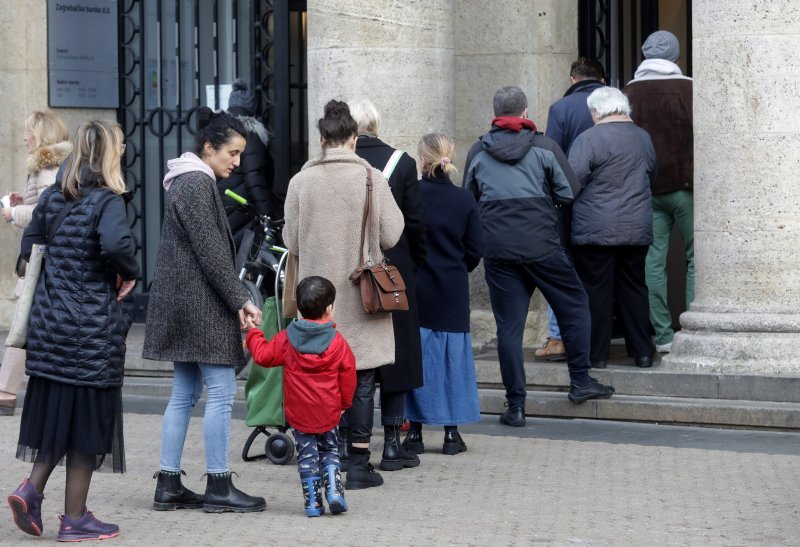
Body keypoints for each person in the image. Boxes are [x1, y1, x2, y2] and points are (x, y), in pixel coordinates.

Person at [8, 120, 138, 541]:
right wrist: (129, 273)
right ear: (107, 153)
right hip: (88, 334)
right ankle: (75, 518)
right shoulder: (107, 201)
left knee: (58, 421)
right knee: (85, 429)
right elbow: (117, 246)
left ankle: (30, 490)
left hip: (50, 332)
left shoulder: (51, 198)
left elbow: (27, 254)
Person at [463, 86, 614, 427]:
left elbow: (470, 198)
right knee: (575, 305)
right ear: (526, 112)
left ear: (495, 113)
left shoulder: (478, 151)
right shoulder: (545, 147)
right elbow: (569, 191)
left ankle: (515, 405)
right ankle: (580, 382)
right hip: (542, 246)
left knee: (509, 329)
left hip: (498, 251)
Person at [143, 107, 266, 513]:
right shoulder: (196, 182)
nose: (236, 161)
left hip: (185, 302)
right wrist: (242, 300)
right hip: (198, 305)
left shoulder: (189, 178)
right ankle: (217, 484)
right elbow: (212, 253)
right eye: (232, 153)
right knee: (221, 392)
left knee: (183, 394)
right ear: (208, 148)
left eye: (240, 154)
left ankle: (168, 483)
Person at [283, 100, 404, 489]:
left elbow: (290, 239)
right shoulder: (372, 178)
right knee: (363, 377)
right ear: (353, 139)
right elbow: (392, 234)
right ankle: (357, 464)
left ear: (321, 140)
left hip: (318, 297)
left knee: (319, 377)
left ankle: (323, 456)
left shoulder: (301, 182)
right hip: (360, 296)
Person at [350, 98, 425, 472]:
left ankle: (352, 440)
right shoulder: (404, 163)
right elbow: (413, 222)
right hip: (393, 272)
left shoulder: (339, 167)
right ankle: (393, 442)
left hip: (350, 272)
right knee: (395, 353)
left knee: (357, 357)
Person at [245, 276, 356, 517]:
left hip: (299, 414)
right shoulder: (338, 343)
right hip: (329, 411)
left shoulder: (287, 338)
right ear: (330, 309)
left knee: (307, 457)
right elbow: (348, 376)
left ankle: (313, 504)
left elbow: (263, 356)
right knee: (330, 451)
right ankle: (335, 492)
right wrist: (344, 404)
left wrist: (254, 334)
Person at [403, 133, 484, 455]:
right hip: (452, 286)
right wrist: (458, 265)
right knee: (453, 361)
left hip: (419, 285)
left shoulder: (413, 195)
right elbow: (477, 248)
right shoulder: (464, 199)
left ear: (422, 160)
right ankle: (452, 433)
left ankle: (416, 433)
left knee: (418, 359)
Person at [568, 86, 657, 369]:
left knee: (596, 292)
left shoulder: (588, 139)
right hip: (635, 226)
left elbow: (572, 181)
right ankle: (643, 352)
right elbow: (652, 172)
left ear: (597, 111)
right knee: (634, 289)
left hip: (595, 229)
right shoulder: (643, 137)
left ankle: (597, 356)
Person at [623, 30, 694, 354]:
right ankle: (694, 331)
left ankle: (663, 336)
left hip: (646, 189)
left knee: (652, 263)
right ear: (675, 57)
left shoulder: (628, 93)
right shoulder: (688, 88)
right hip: (686, 187)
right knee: (696, 260)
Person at [0, 111, 71, 416]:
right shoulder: (49, 168)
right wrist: (21, 203)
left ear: (40, 135)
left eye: (28, 132)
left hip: (42, 260)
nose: (24, 138)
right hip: (45, 259)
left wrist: (14, 214)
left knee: (22, 325)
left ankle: (5, 392)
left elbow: (49, 213)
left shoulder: (45, 171)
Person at [537, 58, 606, 363]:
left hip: (569, 201)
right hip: (609, 204)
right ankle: (595, 337)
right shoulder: (614, 106)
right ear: (601, 79)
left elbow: (552, 156)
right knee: (601, 272)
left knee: (562, 267)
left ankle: (558, 337)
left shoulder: (560, 109)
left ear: (572, 78)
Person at [217, 78, 278, 249]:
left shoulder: (217, 134)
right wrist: (268, 215)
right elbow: (255, 179)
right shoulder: (249, 135)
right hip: (243, 211)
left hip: (222, 207)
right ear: (251, 109)